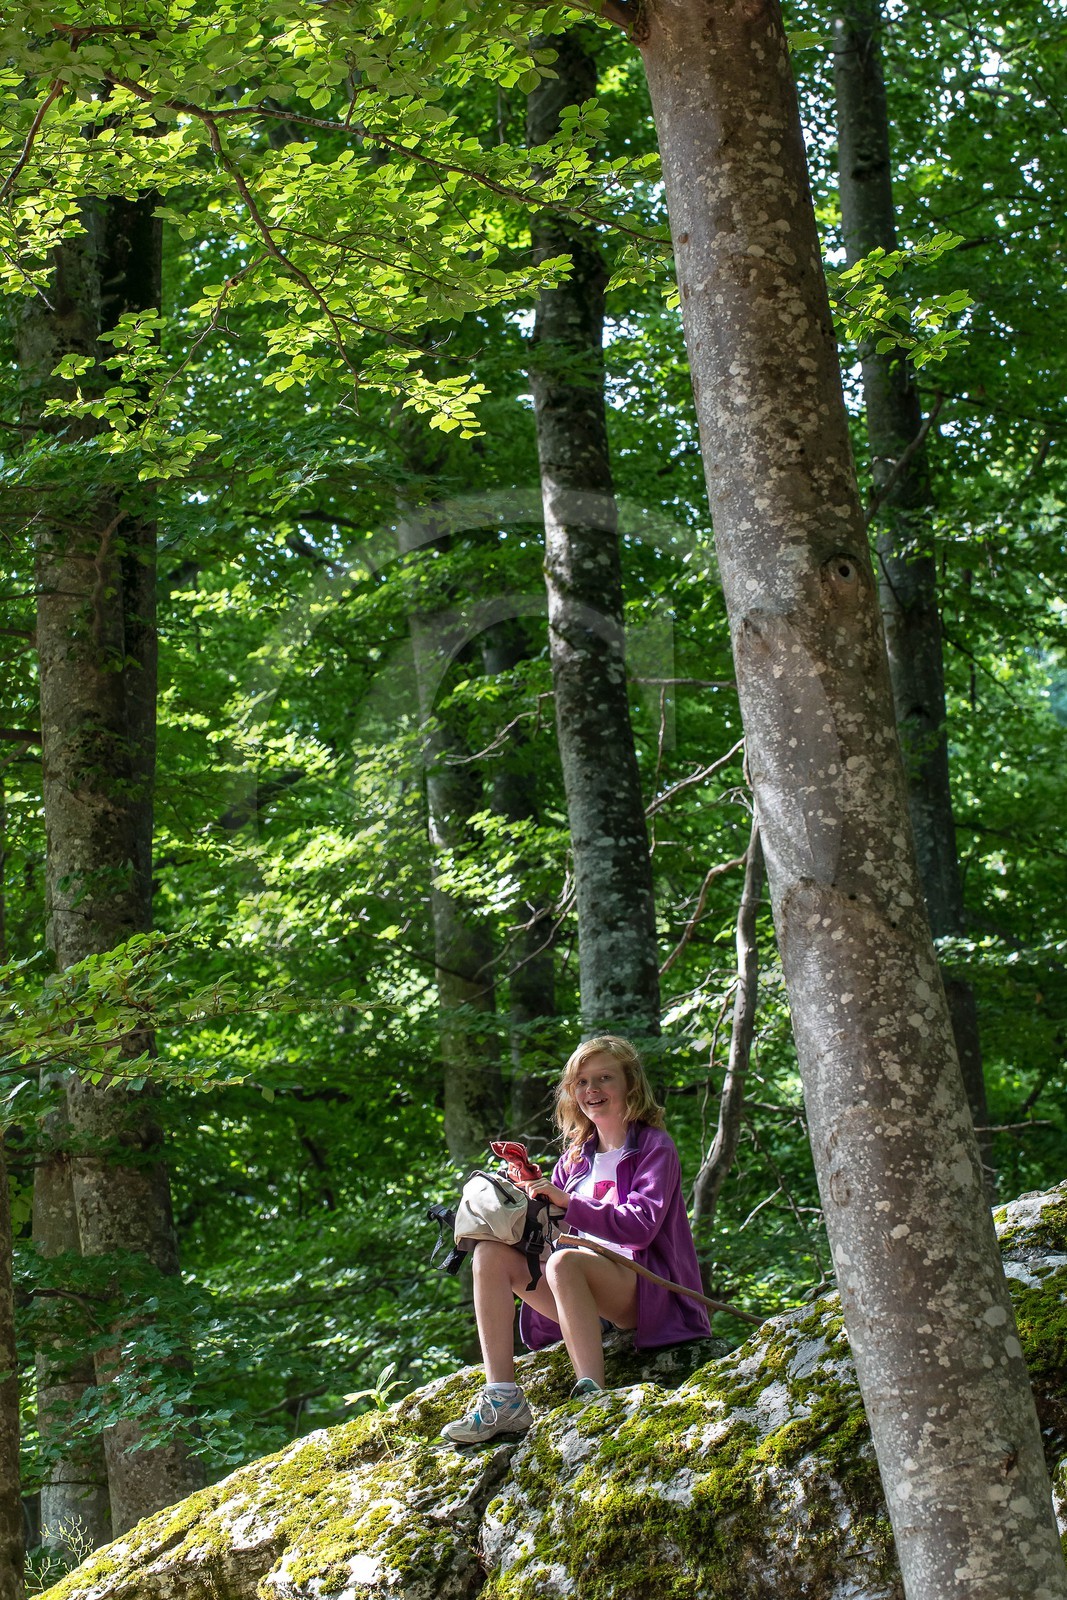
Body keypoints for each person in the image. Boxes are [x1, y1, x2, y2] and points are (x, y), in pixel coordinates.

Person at [442, 1034, 711, 1445]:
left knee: (565, 1262)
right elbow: (558, 1235)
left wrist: (567, 1204)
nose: (592, 1090)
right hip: (578, 1293)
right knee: (490, 1255)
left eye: (605, 1078)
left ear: (630, 1085)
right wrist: (526, 1206)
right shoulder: (575, 1158)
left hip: (643, 1292)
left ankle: (592, 1391)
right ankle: (503, 1398)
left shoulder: (653, 1147)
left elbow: (640, 1226)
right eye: (582, 1082)